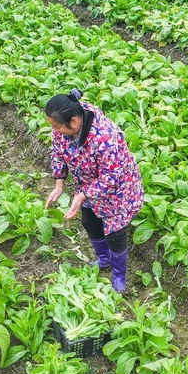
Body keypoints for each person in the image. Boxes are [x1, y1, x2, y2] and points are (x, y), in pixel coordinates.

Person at [44, 90, 144, 293]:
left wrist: (82, 195)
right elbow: (57, 152)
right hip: (88, 184)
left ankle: (119, 274)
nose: (54, 130)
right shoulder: (63, 128)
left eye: (56, 126)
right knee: (89, 221)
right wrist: (59, 183)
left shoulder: (105, 137)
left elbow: (111, 176)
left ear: (73, 121)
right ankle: (104, 259)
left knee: (114, 233)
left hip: (118, 190)